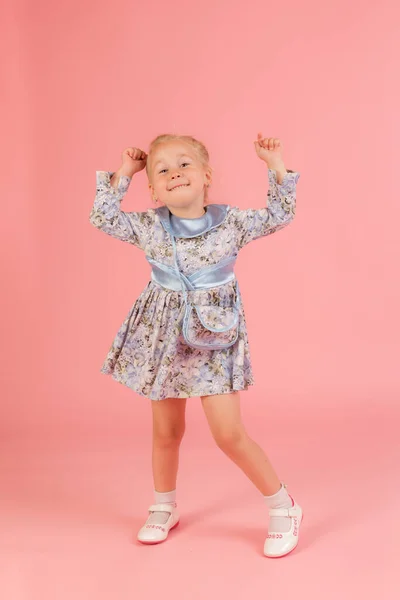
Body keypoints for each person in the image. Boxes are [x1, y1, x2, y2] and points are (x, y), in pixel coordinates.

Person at [89, 133, 303, 557]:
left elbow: (280, 214)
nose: (174, 173)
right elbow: (103, 217)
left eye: (184, 164)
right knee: (167, 430)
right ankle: (163, 505)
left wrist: (274, 162)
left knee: (228, 433)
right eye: (162, 169)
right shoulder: (149, 226)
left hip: (213, 336)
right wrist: (124, 174)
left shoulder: (233, 223)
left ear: (207, 176)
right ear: (152, 189)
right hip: (164, 337)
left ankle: (283, 506)